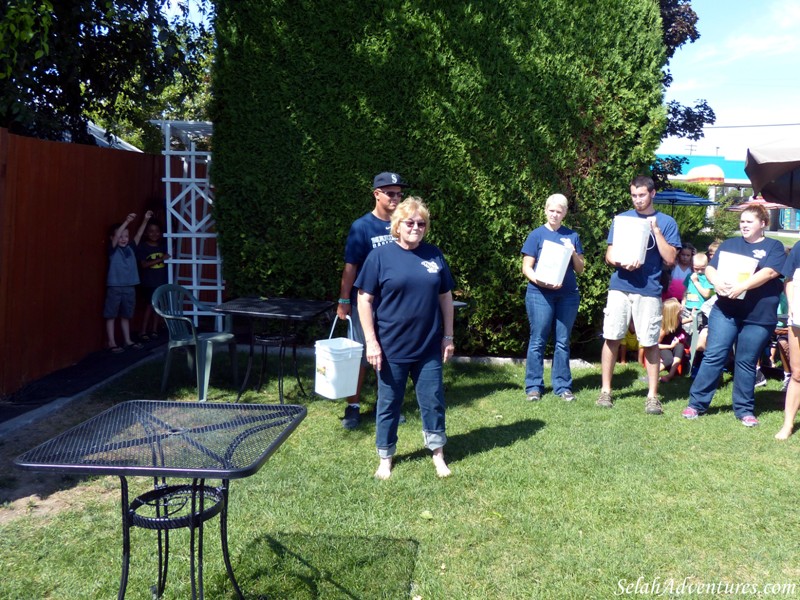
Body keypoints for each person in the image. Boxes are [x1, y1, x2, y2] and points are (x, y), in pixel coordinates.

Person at [355, 197, 455, 479]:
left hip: (428, 347)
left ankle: (438, 454)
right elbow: (364, 300)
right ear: (397, 225)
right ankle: (385, 457)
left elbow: (445, 296)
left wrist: (448, 336)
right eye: (409, 222)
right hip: (390, 348)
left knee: (433, 400)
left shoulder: (433, 255)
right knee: (388, 404)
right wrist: (371, 342)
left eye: (421, 223)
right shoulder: (379, 256)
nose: (416, 227)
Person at [682, 205, 785, 427]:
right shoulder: (730, 245)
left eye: (749, 221)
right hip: (726, 311)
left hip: (758, 317)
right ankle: (696, 404)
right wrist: (717, 281)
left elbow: (770, 272)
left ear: (763, 224)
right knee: (714, 355)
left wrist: (742, 286)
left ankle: (744, 410)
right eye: (742, 221)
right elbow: (711, 268)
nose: (744, 225)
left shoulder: (773, 246)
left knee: (746, 361)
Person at [597, 175, 681, 415]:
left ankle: (653, 396)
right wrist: (621, 263)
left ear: (652, 194)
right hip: (620, 286)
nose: (637, 200)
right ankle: (606, 391)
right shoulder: (622, 220)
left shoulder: (666, 222)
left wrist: (655, 231)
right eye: (634, 195)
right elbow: (609, 254)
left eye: (642, 195)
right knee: (612, 337)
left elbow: (670, 258)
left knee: (650, 342)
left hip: (649, 289)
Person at [337, 172, 409, 429]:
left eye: (399, 194)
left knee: (390, 355)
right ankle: (353, 406)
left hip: (396, 304)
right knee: (360, 355)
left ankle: (388, 404)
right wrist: (344, 299)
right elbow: (351, 266)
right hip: (366, 302)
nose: (396, 198)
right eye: (390, 193)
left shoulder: (403, 224)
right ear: (376, 194)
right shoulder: (362, 226)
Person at [520, 193, 584, 401]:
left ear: (565, 213)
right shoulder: (536, 235)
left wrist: (573, 252)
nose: (555, 215)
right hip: (540, 294)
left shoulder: (572, 236)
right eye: (552, 210)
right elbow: (526, 268)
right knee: (538, 340)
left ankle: (562, 386)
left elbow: (580, 269)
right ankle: (533, 386)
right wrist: (541, 281)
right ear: (546, 210)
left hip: (567, 295)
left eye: (559, 211)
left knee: (563, 341)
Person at [104, 211, 152, 353]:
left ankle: (127, 340)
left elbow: (138, 235)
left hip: (130, 286)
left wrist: (145, 220)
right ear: (113, 238)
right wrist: (127, 221)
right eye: (120, 236)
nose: (123, 239)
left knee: (126, 315)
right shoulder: (113, 250)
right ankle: (111, 342)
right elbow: (117, 236)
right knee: (111, 314)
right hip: (115, 286)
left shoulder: (131, 248)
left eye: (126, 236)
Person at [775, 244, 800, 439]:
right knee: (798, 373)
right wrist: (791, 304)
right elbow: (789, 279)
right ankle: (788, 424)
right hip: (798, 317)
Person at [136, 219, 170, 341]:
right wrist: (161, 259)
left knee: (158, 306)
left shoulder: (163, 246)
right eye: (151, 231)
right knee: (149, 306)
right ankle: (143, 331)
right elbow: (144, 264)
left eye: (157, 231)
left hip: (160, 281)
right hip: (149, 282)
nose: (154, 234)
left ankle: (154, 329)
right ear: (146, 233)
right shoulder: (143, 247)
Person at [657, 298, 688, 383]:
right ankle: (653, 375)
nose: (681, 308)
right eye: (679, 308)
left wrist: (692, 317)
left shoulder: (678, 319)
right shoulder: (664, 329)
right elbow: (656, 345)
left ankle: (670, 375)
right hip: (664, 347)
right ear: (674, 312)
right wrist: (670, 346)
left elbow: (684, 321)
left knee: (680, 346)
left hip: (674, 345)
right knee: (669, 360)